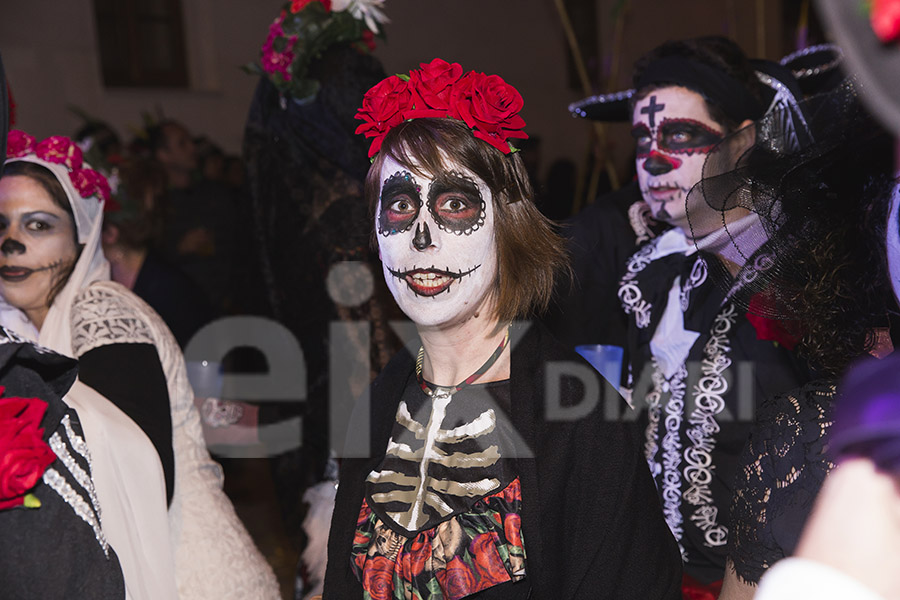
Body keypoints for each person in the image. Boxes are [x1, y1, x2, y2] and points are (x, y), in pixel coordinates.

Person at [323, 58, 683, 599]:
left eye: (454, 203)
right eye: (398, 204)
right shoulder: (377, 405)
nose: (422, 238)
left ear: (506, 224)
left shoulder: (584, 421)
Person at [569, 36, 815, 590]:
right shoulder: (640, 267)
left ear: (743, 140)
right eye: (642, 138)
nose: (653, 159)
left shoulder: (805, 272)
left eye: (680, 136)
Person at [0, 129, 280, 599]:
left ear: (84, 237)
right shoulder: (32, 327)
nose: (11, 242)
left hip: (194, 579)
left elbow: (138, 467)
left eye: (38, 225)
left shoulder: (101, 309)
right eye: (1, 224)